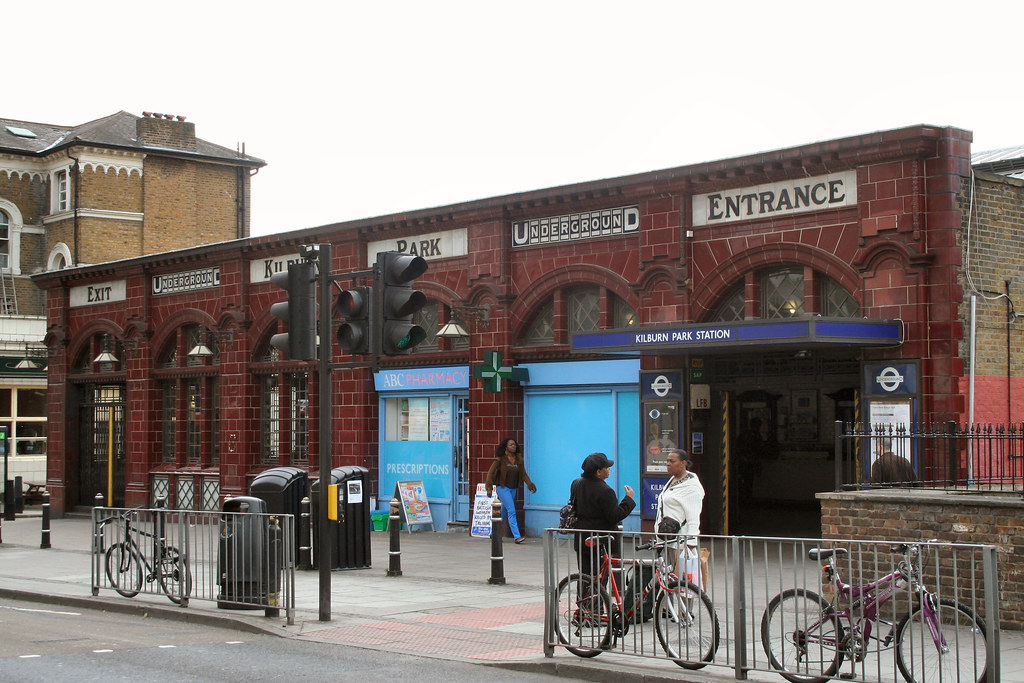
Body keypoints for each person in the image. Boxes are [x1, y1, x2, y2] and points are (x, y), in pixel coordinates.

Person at [571, 452, 635, 576]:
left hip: (582, 539)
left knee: (584, 576)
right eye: (606, 467)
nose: (609, 469)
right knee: (600, 577)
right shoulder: (606, 491)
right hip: (600, 542)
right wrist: (628, 499)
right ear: (598, 472)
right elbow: (614, 516)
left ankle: (584, 589)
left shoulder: (576, 483)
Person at [655, 448, 705, 580]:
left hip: (680, 543)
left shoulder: (691, 486)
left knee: (683, 582)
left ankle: (684, 596)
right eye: (667, 461)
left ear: (683, 463)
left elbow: (694, 516)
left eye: (672, 461)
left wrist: (691, 542)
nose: (668, 464)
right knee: (666, 580)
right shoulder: (673, 480)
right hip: (666, 541)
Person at [485, 437, 536, 544]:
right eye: (511, 445)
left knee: (504, 511)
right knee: (511, 510)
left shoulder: (518, 460)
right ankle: (517, 536)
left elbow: (523, 474)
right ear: (506, 447)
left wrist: (530, 484)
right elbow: (490, 473)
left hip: (513, 489)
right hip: (502, 488)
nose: (514, 446)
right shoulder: (500, 459)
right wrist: (489, 487)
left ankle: (494, 532)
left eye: (514, 445)